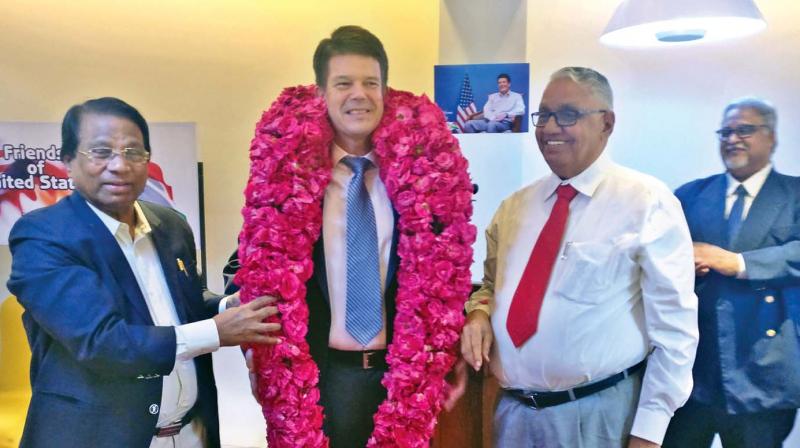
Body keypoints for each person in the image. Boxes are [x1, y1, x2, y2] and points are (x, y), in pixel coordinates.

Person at [238, 26, 467, 447]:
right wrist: (257, 355)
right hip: (323, 378)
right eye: (343, 83)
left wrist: (447, 356)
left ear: (385, 90)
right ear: (322, 94)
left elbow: (447, 280)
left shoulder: (423, 180)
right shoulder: (288, 179)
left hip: (400, 375)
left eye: (370, 83)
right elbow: (251, 265)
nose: (358, 94)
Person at [7, 97, 278, 448]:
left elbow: (185, 301)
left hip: (190, 434)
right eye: (100, 152)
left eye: (133, 152)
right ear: (68, 161)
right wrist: (215, 331)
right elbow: (102, 342)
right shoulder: (45, 235)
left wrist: (228, 307)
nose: (119, 166)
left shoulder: (170, 224)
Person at [461, 67, 699, 447]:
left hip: (598, 417)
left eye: (568, 115)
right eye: (544, 115)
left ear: (606, 123)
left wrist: (649, 433)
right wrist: (479, 312)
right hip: (513, 412)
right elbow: (490, 286)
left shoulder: (646, 202)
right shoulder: (514, 209)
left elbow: (676, 331)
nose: (551, 128)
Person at [663, 98, 800, 447]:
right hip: (693, 371)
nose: (732, 138)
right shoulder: (691, 194)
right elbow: (659, 257)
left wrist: (737, 263)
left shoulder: (794, 193)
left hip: (763, 370)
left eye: (744, 130)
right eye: (725, 131)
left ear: (770, 138)